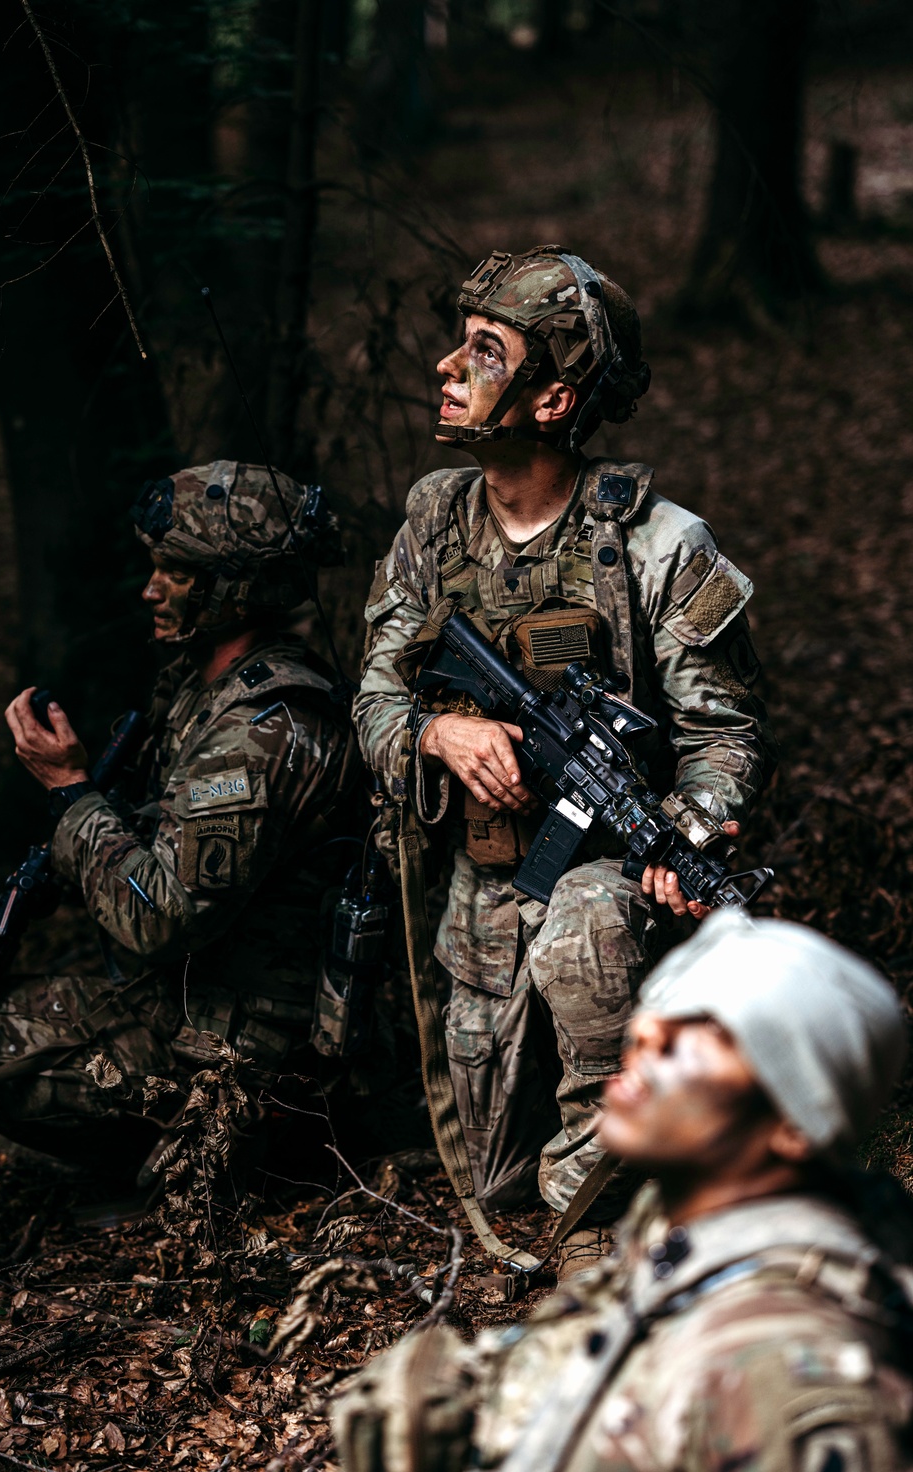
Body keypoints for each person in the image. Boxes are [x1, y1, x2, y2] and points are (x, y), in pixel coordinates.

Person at [355, 245, 778, 1234]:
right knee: (491, 1179)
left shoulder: (660, 546)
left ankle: (603, 1209)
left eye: (483, 353)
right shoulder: (433, 522)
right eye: (458, 347)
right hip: (490, 877)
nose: (446, 371)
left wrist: (692, 830)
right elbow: (372, 700)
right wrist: (437, 735)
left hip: (614, 888)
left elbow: (724, 734)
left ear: (551, 401)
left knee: (586, 923)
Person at [333, 912, 913, 1472]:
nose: (649, 1034)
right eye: (669, 1008)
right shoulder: (682, 1237)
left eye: (712, 1031)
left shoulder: (780, 1360)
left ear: (795, 1126)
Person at [0, 461, 358, 1181]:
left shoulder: (261, 730)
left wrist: (71, 792)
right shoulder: (205, 689)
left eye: (177, 572)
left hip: (245, 1062)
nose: (149, 589)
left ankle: (183, 1168)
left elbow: (159, 920)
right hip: (195, 1007)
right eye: (154, 567)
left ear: (236, 588)